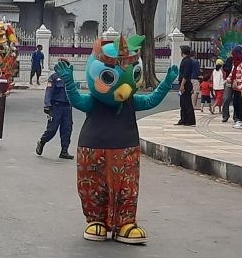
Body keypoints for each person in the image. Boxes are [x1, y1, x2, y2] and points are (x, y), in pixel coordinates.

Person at [55, 35, 177, 244]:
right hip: (93, 149)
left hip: (126, 149)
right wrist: (69, 82)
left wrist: (165, 83)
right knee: (93, 185)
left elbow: (150, 100)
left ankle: (125, 223)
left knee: (127, 186)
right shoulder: (94, 102)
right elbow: (76, 100)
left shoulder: (131, 101)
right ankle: (96, 221)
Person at [35, 58, 74, 159]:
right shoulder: (53, 78)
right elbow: (49, 91)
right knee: (51, 130)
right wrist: (47, 105)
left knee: (67, 130)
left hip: (67, 108)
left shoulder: (70, 78)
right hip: (56, 107)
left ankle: (64, 151)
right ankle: (42, 141)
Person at [177, 45, 196, 126]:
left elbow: (186, 74)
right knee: (182, 102)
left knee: (187, 102)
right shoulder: (185, 60)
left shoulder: (188, 61)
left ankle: (190, 120)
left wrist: (182, 85)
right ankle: (183, 119)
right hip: (182, 83)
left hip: (185, 84)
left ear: (183, 52)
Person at [225, 46, 242, 129]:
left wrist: (237, 82)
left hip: (240, 88)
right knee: (236, 103)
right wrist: (228, 80)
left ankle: (239, 120)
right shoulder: (235, 63)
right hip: (236, 88)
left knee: (239, 104)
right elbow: (232, 74)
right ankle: (238, 120)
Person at [222, 56, 235, 122]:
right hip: (229, 82)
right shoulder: (230, 59)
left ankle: (236, 117)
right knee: (226, 98)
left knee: (237, 100)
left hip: (238, 82)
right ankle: (225, 115)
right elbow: (225, 68)